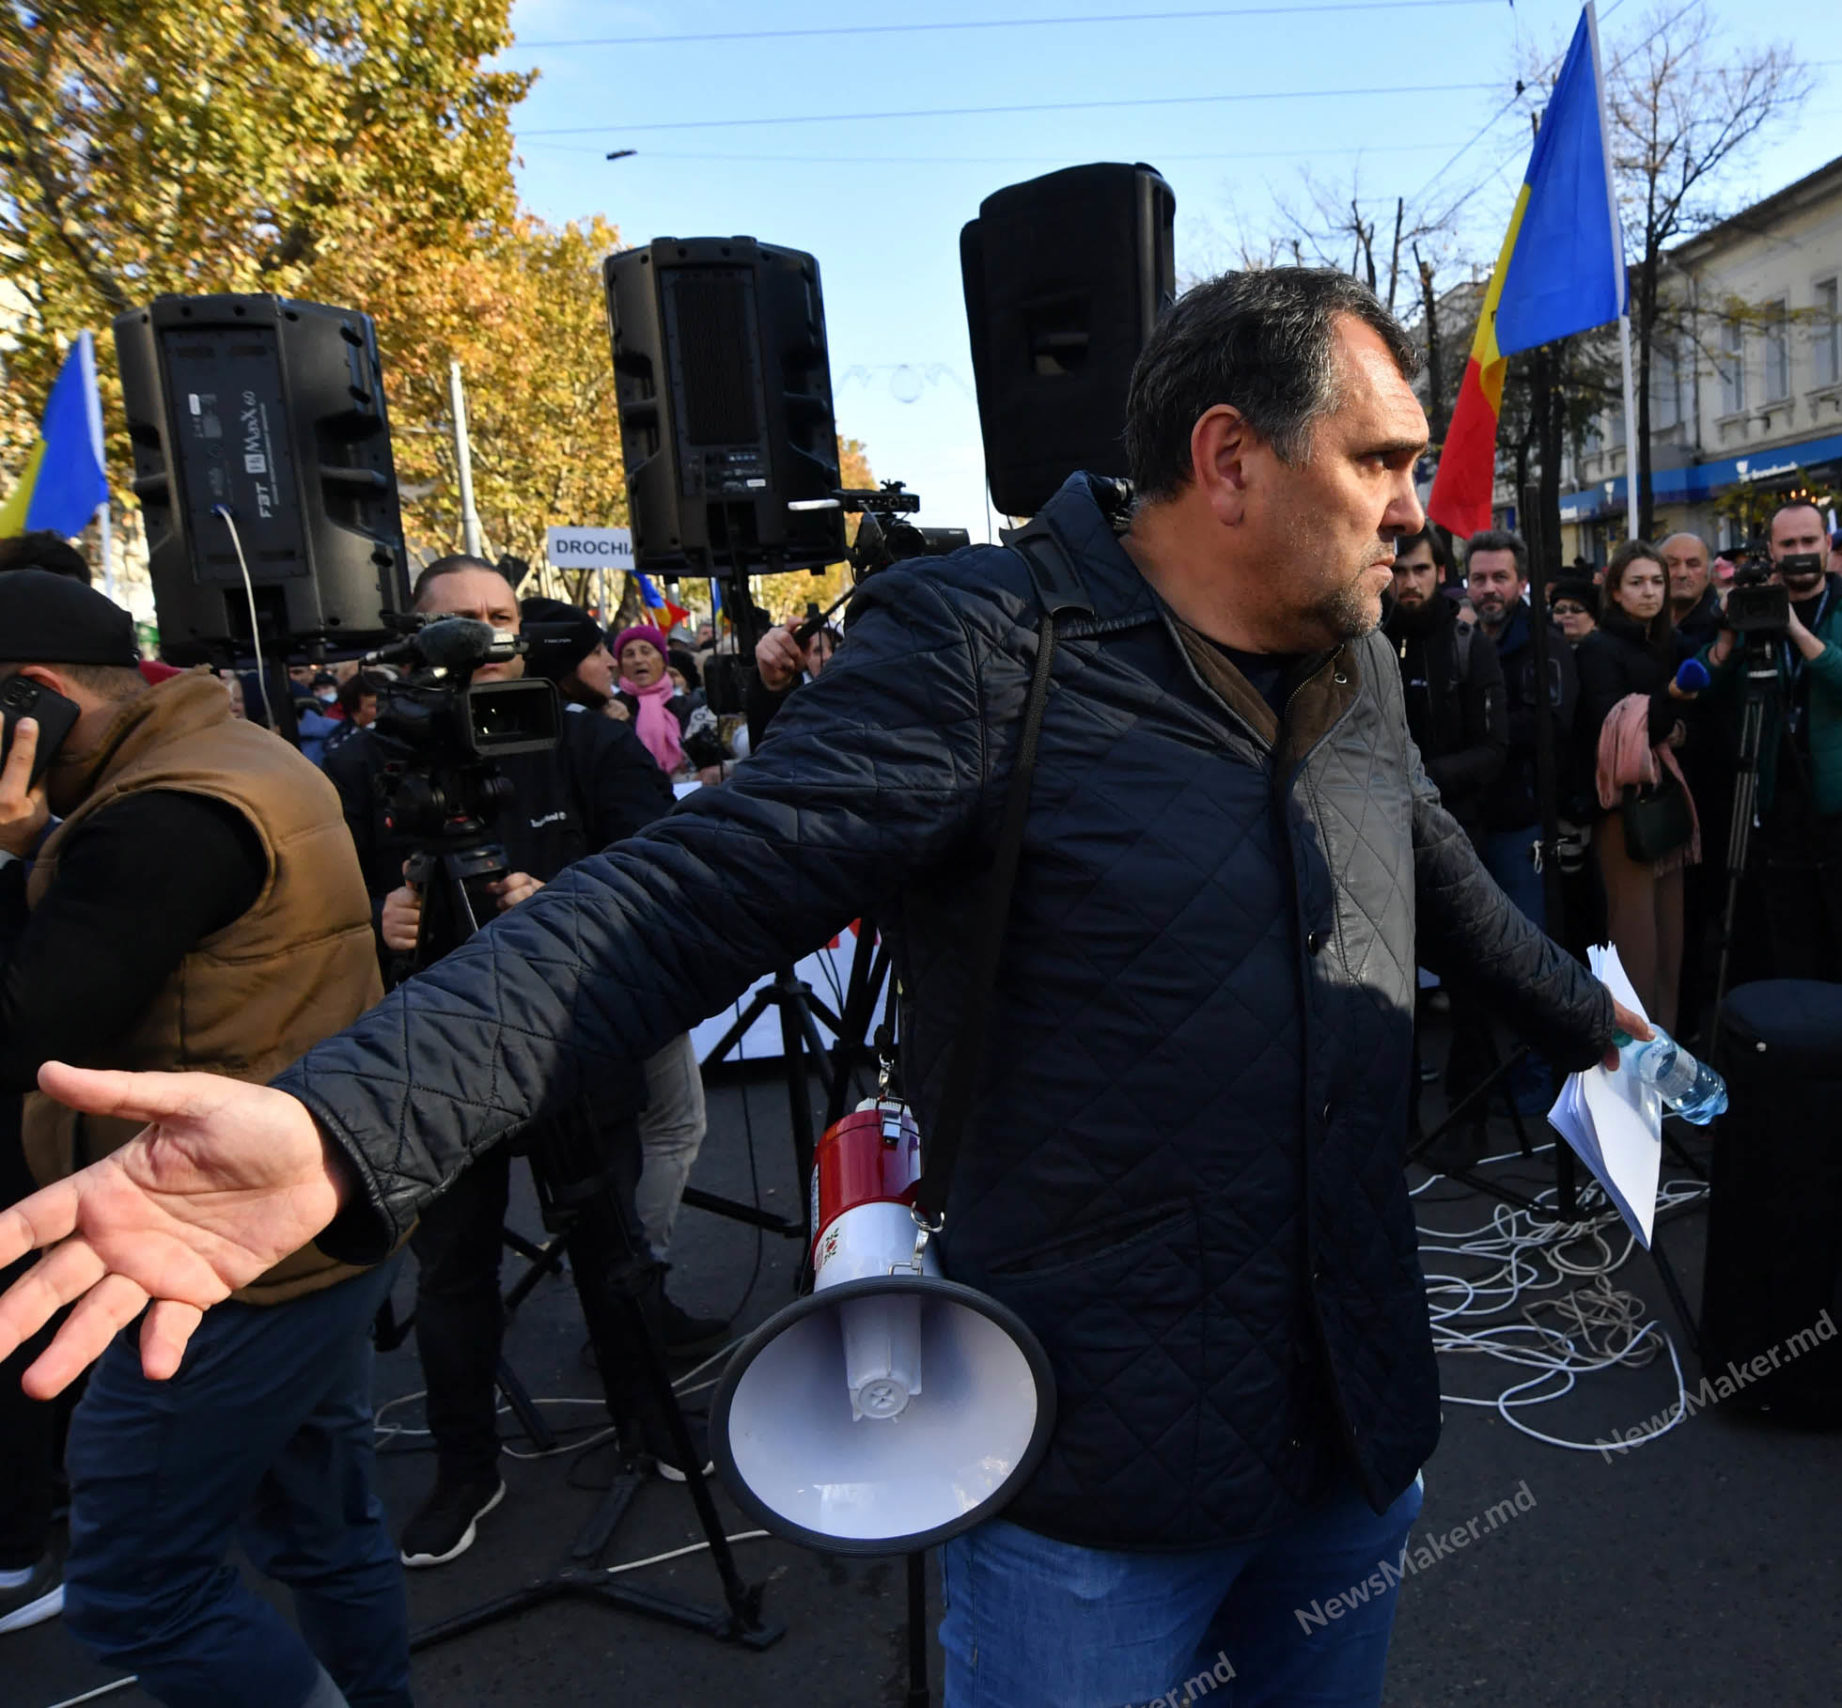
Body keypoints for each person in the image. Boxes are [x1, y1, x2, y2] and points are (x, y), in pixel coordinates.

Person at [0, 268, 1647, 1708]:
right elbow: (675, 899)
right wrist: (346, 1124)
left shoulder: (1355, 661)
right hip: (1092, 1474)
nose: (1418, 507)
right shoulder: (984, 648)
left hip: (1354, 1432)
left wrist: (1604, 1029)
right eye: (1381, 459)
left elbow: (1435, 870)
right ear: (1229, 458)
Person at [0, 575, 408, 1704]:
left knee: (135, 1588)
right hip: (309, 1222)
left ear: (27, 705)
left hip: (201, 1257)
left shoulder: (156, 816)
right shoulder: (227, 753)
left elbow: (29, 1021)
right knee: (324, 1532)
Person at [320, 559, 721, 1569]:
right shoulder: (366, 767)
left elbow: (661, 872)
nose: (486, 638)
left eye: (500, 618)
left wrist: (568, 900)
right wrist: (375, 919)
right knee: (453, 1271)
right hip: (428, 1061)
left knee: (612, 1247)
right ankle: (465, 1465)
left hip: (571, 1048)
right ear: (413, 636)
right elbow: (314, 918)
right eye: (459, 623)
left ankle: (647, 1417)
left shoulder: (589, 740)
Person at [522, 598, 713, 1270]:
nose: (614, 660)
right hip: (615, 967)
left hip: (529, 984)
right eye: (599, 650)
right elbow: (654, 852)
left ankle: (620, 1272)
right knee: (671, 1122)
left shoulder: (591, 730)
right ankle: (642, 1277)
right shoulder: (597, 741)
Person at [1706, 501, 1842, 985]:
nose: (1800, 552)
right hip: (1775, 799)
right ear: (1771, 551)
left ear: (1827, 546)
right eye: (1788, 544)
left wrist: (1792, 626)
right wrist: (1727, 634)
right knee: (1789, 933)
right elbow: (1713, 695)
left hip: (1841, 802)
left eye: (1809, 542)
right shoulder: (1753, 607)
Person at [1578, 540, 1702, 1025]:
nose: (1650, 592)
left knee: (1670, 940)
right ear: (1615, 590)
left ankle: (1665, 1063)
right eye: (1637, 582)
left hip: (1665, 808)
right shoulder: (1598, 648)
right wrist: (1669, 702)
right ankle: (1633, 1068)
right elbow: (1614, 726)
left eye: (1657, 581)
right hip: (1623, 813)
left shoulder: (1666, 643)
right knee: (1636, 946)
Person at [1464, 529, 1580, 938]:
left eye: (1500, 577)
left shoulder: (1544, 645)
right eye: (1479, 579)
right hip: (1470, 820)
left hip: (1523, 823)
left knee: (1525, 939)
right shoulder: (1463, 645)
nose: (1489, 589)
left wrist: (1483, 733)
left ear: (1522, 583)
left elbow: (1551, 725)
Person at [1384, 530, 1505, 836]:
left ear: (1439, 572)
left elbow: (1492, 749)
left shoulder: (1470, 647)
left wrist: (1422, 776)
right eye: (1399, 570)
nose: (1410, 583)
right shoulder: (1368, 646)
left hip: (1457, 825)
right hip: (1385, 826)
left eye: (1420, 569)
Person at [611, 625, 706, 778]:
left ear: (663, 661)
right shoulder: (611, 709)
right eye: (629, 654)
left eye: (646, 651)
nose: (638, 659)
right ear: (621, 667)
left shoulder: (691, 707)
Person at [1659, 532, 1721, 652]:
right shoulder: (1641, 621)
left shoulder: (1723, 626)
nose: (1682, 573)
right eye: (1672, 564)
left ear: (1709, 572)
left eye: (1693, 564)